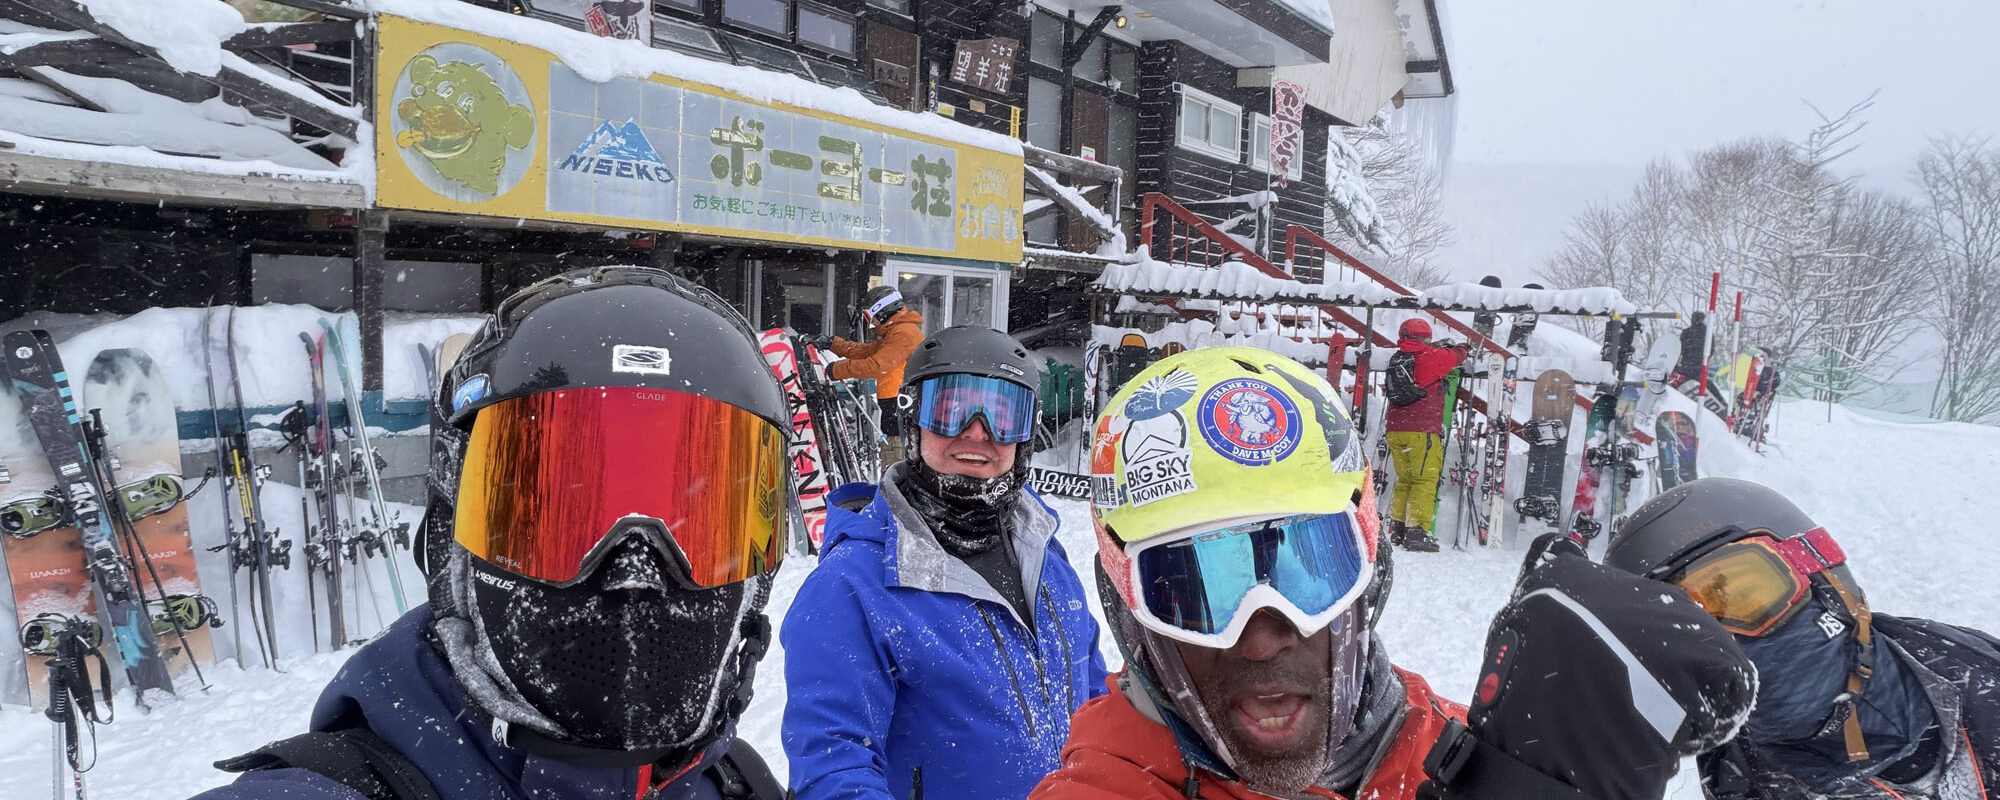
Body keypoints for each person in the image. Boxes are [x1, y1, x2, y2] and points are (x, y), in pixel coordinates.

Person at [1037, 347, 1758, 800]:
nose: (1260, 636)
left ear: (1370, 579)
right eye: (1197, 588)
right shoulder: (1107, 786)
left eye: (1309, 566)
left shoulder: (1455, 752)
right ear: (1127, 612)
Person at [192, 267, 790, 800]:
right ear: (448, 545)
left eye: (701, 525)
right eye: (562, 521)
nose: (635, 574)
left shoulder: (739, 783)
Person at [781, 325, 1108, 800]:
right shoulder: (853, 584)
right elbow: (833, 767)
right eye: (951, 410)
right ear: (912, 419)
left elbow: (1097, 704)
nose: (977, 432)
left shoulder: (1044, 551)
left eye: (1003, 415)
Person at [1607, 477, 2000, 800]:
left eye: (1746, 595)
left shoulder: (1983, 681)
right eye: (1684, 634)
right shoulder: (1738, 784)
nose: (1726, 644)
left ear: (1827, 579)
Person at [1382, 318, 1469, 552]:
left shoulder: (1398, 358)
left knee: (1406, 480)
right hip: (1421, 430)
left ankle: (1398, 529)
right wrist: (1462, 347)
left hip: (1396, 429)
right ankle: (1417, 532)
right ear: (1426, 338)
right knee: (1425, 480)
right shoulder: (1432, 356)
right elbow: (1457, 356)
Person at [820, 285, 925, 466]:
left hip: (901, 409)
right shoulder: (894, 331)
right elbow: (867, 351)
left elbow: (877, 366)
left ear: (883, 311)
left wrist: (837, 370)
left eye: (871, 316)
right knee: (890, 452)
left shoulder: (904, 333)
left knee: (895, 459)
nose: (871, 322)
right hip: (895, 407)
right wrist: (833, 344)